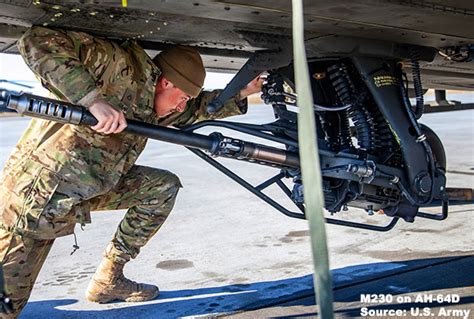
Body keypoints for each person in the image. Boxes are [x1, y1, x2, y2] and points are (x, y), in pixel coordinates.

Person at [0, 26, 263, 318]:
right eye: (183, 98)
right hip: (37, 197)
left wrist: (243, 91)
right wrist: (91, 99)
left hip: (90, 188)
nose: (182, 106)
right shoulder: (116, 66)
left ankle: (108, 279)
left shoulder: (154, 102)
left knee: (161, 188)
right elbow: (38, 40)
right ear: (165, 82)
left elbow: (197, 109)